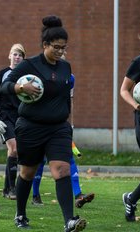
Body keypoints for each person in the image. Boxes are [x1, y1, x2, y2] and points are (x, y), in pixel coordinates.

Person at [0, 15, 87, 231]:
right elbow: (5, 86)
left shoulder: (66, 68)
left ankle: (69, 221)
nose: (60, 51)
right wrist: (21, 88)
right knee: (27, 173)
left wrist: (68, 121)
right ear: (45, 45)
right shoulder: (30, 65)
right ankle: (20, 215)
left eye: (63, 48)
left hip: (58, 128)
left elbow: (66, 97)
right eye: (56, 47)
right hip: (31, 127)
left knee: (62, 170)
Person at [31, 53, 95, 208]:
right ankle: (35, 195)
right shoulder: (39, 77)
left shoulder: (70, 78)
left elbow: (69, 101)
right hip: (40, 125)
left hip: (59, 126)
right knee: (38, 162)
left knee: (69, 159)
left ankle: (78, 195)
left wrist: (69, 124)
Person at [0, 43, 26, 200]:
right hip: (5, 117)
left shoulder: (26, 76)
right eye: (15, 54)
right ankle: (12, 189)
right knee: (14, 149)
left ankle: (6, 189)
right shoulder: (1, 74)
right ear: (9, 55)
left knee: (14, 152)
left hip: (21, 117)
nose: (17, 57)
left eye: (20, 55)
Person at [120, 25, 140, 222]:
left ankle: (131, 198)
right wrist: (136, 105)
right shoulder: (139, 63)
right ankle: (131, 198)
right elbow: (124, 90)